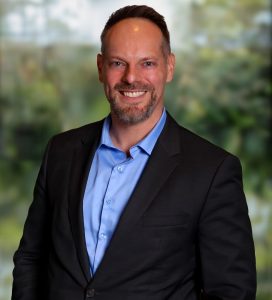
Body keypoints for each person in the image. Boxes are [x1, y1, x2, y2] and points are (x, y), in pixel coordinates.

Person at [12, 5, 256, 300]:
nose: (131, 77)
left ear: (169, 67)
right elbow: (31, 258)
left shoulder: (212, 171)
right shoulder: (61, 152)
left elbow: (231, 292)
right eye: (118, 63)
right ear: (101, 67)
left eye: (147, 63)